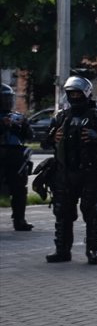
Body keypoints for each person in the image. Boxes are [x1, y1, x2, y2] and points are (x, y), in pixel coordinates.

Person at [41, 77, 97, 264]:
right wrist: (53, 137)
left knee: (94, 211)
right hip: (64, 174)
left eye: (78, 93)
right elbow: (44, 143)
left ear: (86, 93)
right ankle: (62, 250)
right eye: (72, 93)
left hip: (90, 173)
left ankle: (92, 250)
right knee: (62, 212)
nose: (75, 97)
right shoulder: (61, 117)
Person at [0, 83, 34, 231]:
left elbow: (30, 136)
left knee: (20, 189)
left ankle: (19, 220)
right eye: (3, 98)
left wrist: (24, 124)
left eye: (9, 98)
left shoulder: (16, 116)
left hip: (16, 155)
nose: (7, 101)